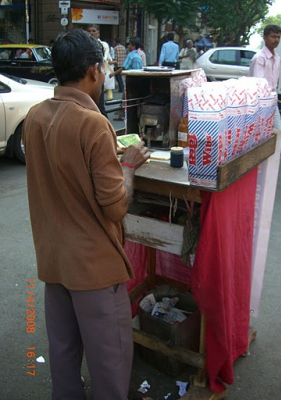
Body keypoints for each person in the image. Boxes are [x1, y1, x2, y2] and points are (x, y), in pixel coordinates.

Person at [22, 28, 149, 400]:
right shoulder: (92, 124)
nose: (106, 75)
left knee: (63, 358)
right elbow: (116, 206)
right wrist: (128, 167)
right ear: (93, 71)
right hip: (93, 267)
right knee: (109, 364)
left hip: (54, 261)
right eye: (105, 68)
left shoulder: (35, 116)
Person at [249, 24, 281, 131]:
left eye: (278, 37)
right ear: (265, 38)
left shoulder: (277, 58)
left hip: (273, 101)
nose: (276, 40)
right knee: (263, 134)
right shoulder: (260, 58)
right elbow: (257, 84)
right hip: (261, 103)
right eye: (273, 37)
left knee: (278, 132)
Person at [110, 36, 143, 121]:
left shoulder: (131, 56)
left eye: (130, 45)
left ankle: (122, 115)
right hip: (138, 81)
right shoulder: (139, 56)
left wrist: (113, 74)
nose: (128, 46)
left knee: (125, 98)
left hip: (130, 80)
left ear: (134, 45)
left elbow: (123, 67)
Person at [87, 24, 110, 117]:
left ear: (98, 33)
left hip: (98, 75)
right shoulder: (84, 45)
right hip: (87, 76)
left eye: (93, 31)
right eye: (89, 31)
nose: (91, 33)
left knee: (99, 105)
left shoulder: (103, 45)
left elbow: (103, 59)